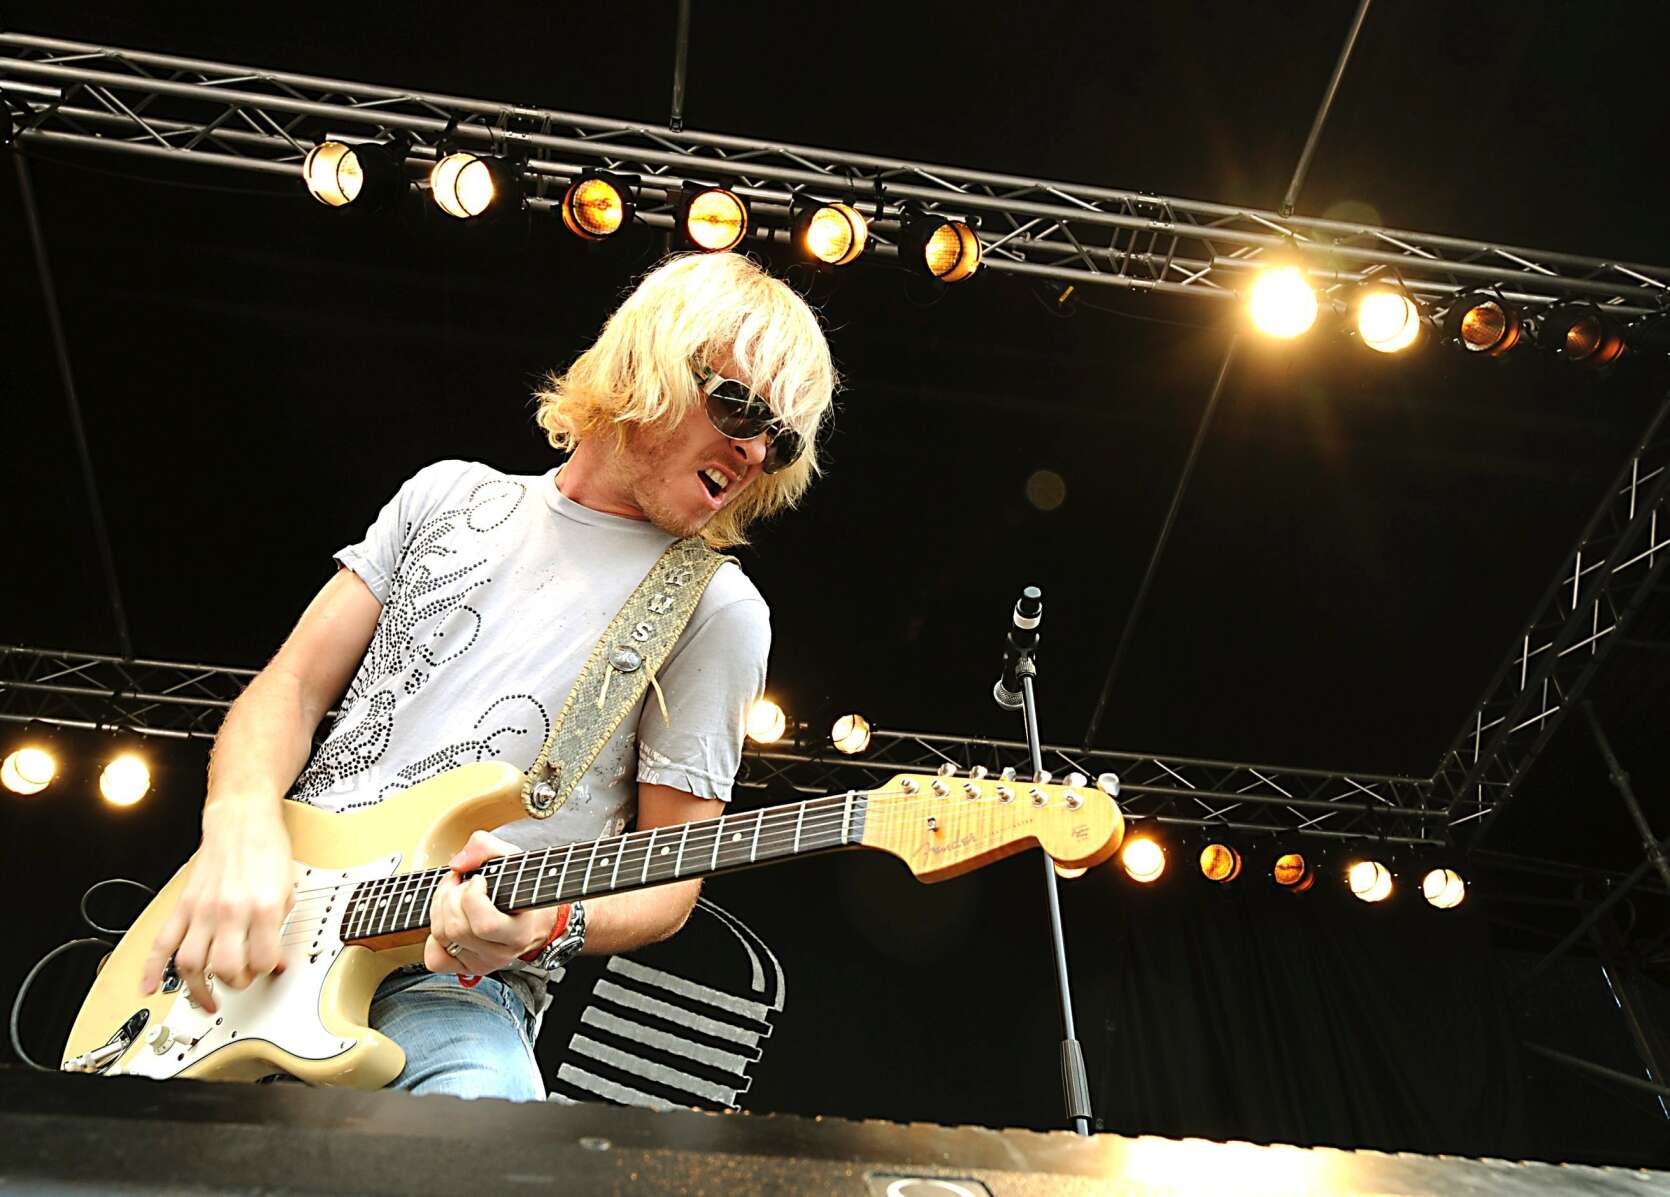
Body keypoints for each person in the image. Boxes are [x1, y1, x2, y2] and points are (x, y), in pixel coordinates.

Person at [139, 251, 837, 1101]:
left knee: (492, 1143)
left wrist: (552, 921)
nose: (756, 449)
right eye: (741, 406)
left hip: (450, 985)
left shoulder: (715, 608)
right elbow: (289, 689)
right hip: (248, 945)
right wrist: (239, 825)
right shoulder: (446, 495)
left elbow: (670, 883)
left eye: (780, 438)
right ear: (648, 361)